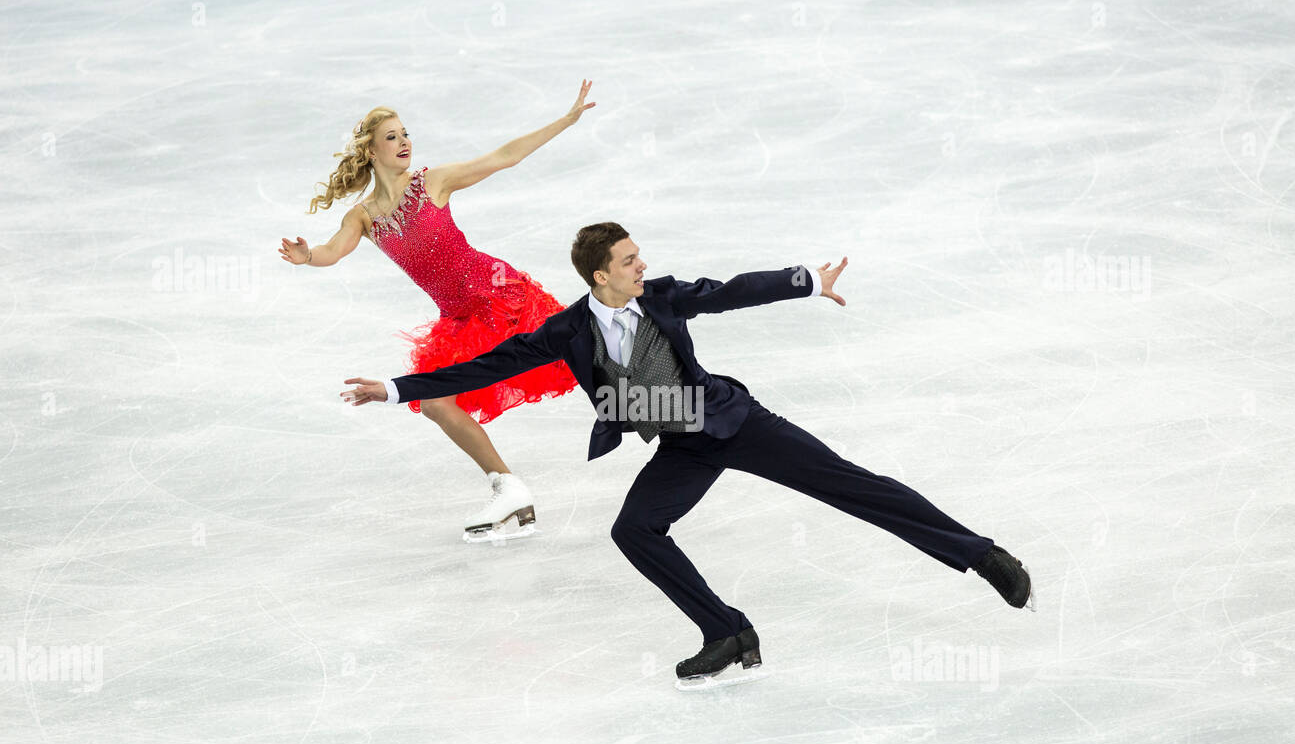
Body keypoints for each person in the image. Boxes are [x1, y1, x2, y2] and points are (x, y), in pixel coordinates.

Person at [341, 223, 1034, 688]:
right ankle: (727, 632)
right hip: (682, 446)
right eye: (628, 262)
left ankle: (981, 554)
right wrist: (396, 388)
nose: (642, 266)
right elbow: (482, 368)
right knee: (634, 530)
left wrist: (804, 281)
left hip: (733, 422)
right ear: (598, 277)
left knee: (852, 486)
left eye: (639, 257)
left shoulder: (664, 298)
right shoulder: (568, 330)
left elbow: (730, 292)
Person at [279, 82, 596, 540]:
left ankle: (669, 396)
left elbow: (504, 156)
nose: (404, 141)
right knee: (435, 402)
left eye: (406, 133)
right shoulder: (364, 217)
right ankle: (509, 488)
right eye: (392, 136)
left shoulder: (431, 182)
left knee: (581, 357)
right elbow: (332, 250)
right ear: (370, 151)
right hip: (460, 319)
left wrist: (566, 120)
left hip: (498, 295)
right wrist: (308, 257)